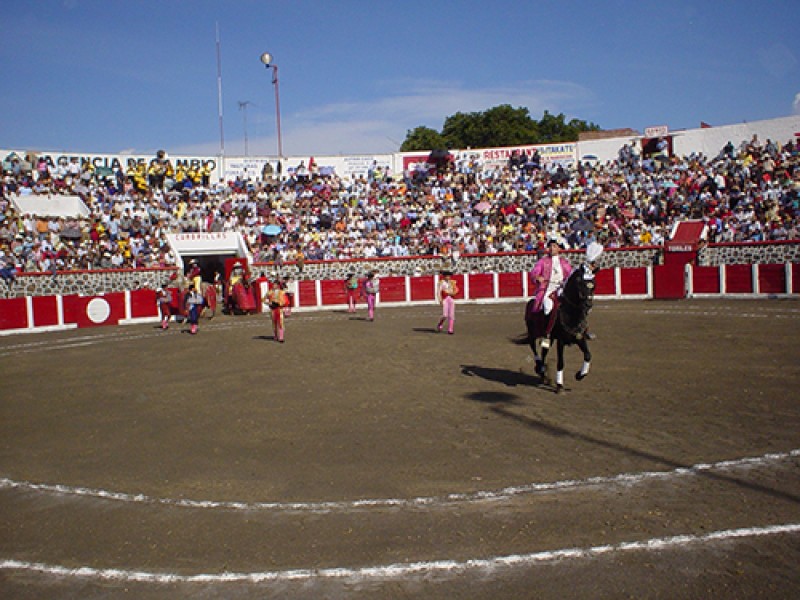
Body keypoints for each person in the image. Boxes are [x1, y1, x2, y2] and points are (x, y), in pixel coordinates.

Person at [529, 238, 573, 349]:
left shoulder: (564, 263)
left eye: (554, 246)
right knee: (548, 307)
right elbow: (534, 272)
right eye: (550, 246)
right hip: (547, 289)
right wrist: (537, 277)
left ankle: (577, 330)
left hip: (560, 289)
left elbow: (570, 276)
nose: (552, 248)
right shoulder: (543, 261)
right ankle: (546, 335)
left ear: (559, 248)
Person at [436, 270, 459, 334]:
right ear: (444, 276)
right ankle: (440, 324)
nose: (448, 277)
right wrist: (440, 300)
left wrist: (454, 292)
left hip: (451, 298)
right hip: (444, 299)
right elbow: (438, 292)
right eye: (446, 276)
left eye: (449, 276)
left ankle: (450, 329)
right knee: (445, 315)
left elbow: (456, 289)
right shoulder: (441, 283)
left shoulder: (452, 282)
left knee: (451, 315)